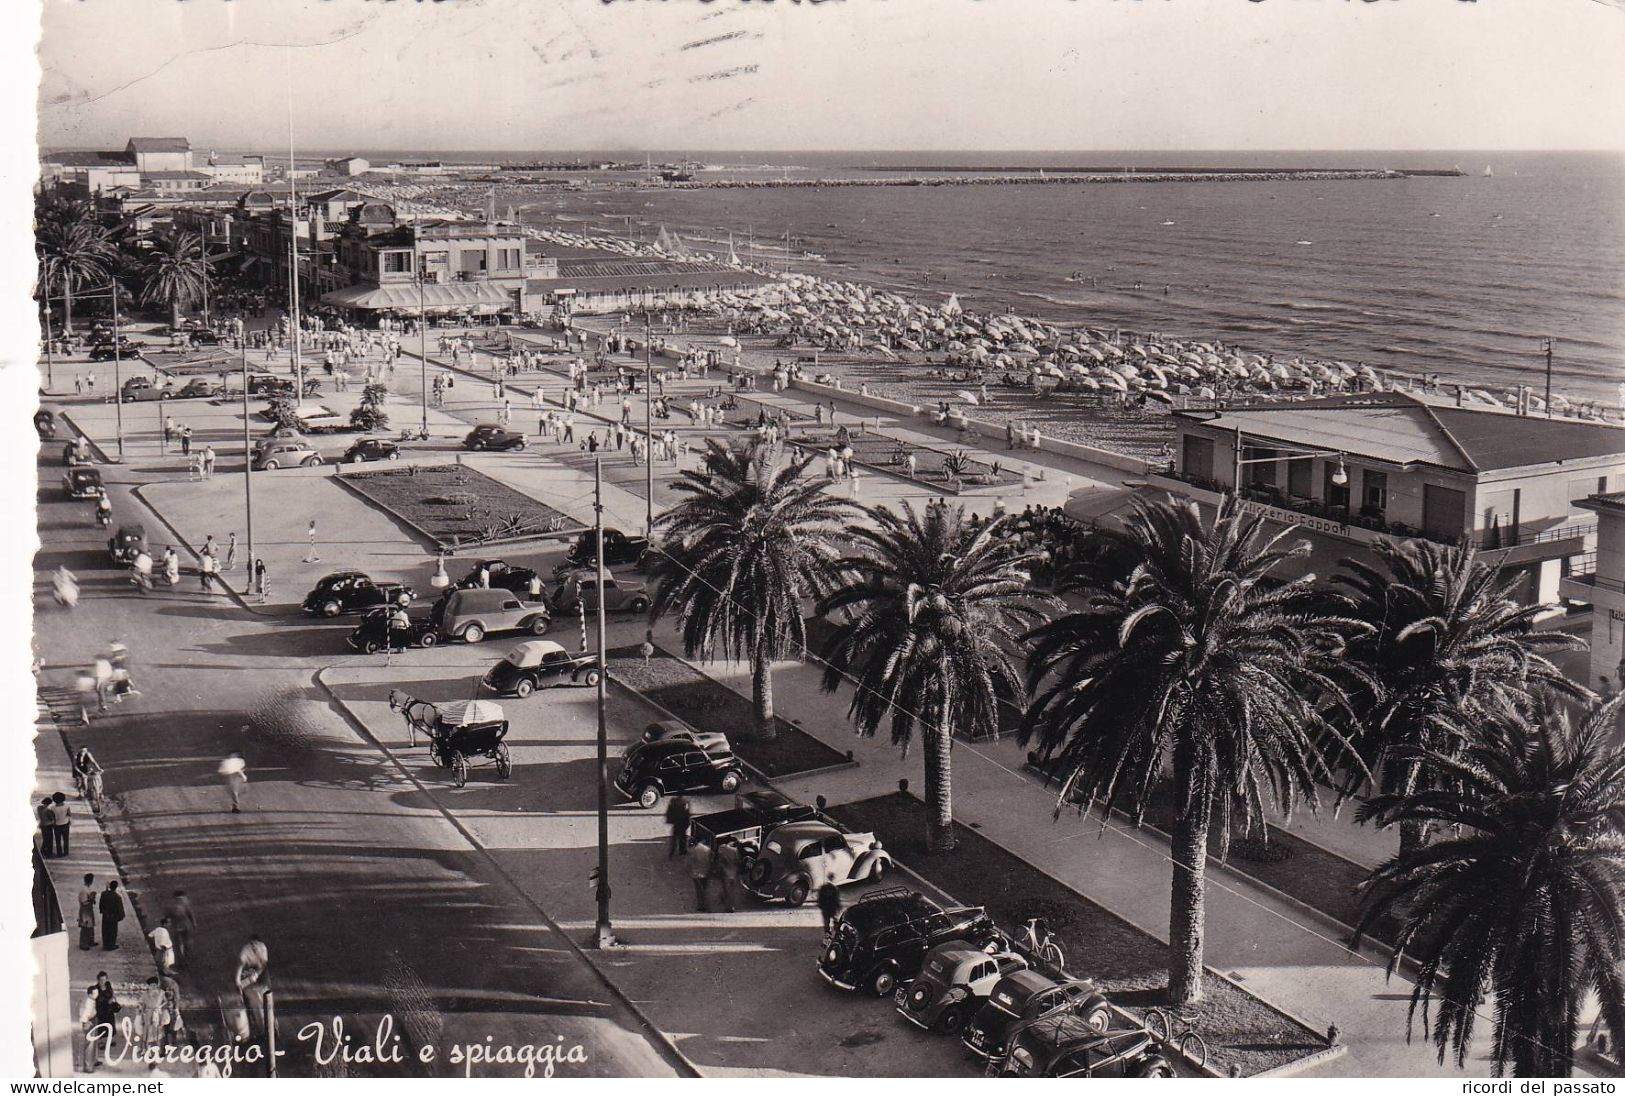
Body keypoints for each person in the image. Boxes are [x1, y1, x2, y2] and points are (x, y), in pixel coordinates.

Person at [165, 890, 196, 965]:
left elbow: (167, 917)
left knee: (177, 945)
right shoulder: (186, 903)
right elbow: (190, 913)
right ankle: (187, 960)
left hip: (176, 927)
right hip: (186, 926)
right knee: (188, 943)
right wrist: (194, 923)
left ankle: (180, 962)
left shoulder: (171, 905)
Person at [687, 839, 712, 912]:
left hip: (697, 873)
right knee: (705, 889)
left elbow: (690, 863)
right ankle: (707, 905)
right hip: (706, 872)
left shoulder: (693, 850)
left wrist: (688, 871)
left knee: (699, 891)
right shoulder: (707, 849)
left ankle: (701, 906)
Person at [99, 880, 125, 950]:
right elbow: (120, 908)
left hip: (105, 915)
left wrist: (102, 911)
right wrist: (120, 916)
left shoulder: (103, 894)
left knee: (105, 930)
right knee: (112, 931)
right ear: (116, 887)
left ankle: (105, 945)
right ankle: (111, 945)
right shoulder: (117, 897)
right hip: (113, 916)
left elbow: (101, 905)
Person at [664, 794, 691, 858]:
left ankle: (671, 853)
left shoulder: (673, 801)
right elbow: (687, 813)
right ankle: (682, 851)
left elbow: (669, 810)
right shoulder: (685, 802)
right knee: (682, 838)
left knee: (674, 838)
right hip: (682, 822)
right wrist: (688, 822)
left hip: (676, 822)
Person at [78, 873, 98, 949]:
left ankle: (90, 941)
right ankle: (83, 944)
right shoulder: (84, 890)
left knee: (90, 926)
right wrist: (91, 899)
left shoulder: (87, 889)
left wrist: (92, 899)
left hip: (89, 910)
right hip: (85, 911)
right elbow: (84, 902)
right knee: (85, 927)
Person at [51, 791, 72, 856]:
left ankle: (59, 853)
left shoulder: (52, 808)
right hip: (65, 823)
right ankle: (66, 852)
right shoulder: (67, 806)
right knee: (66, 839)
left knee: (58, 840)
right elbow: (69, 814)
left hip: (57, 825)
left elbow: (52, 817)